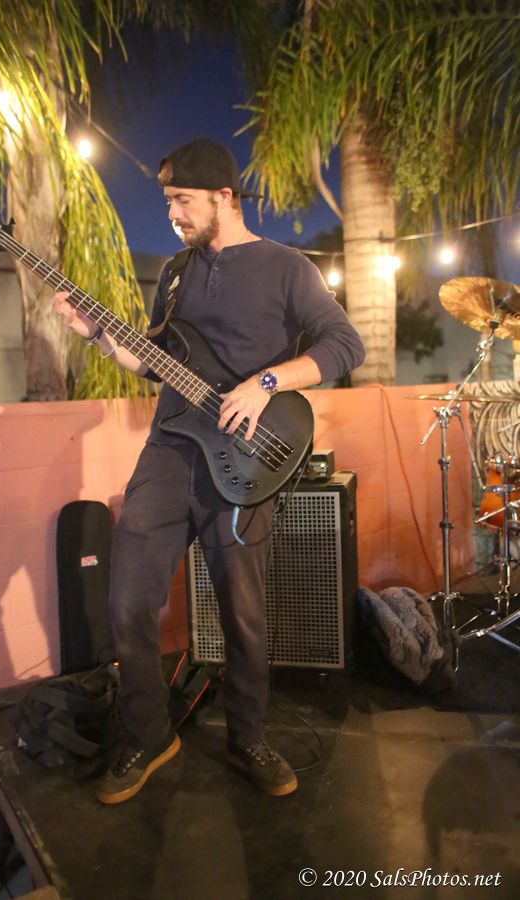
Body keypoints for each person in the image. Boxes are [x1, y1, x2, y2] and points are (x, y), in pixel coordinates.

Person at [53, 137, 365, 804]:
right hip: (169, 451)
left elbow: (345, 344)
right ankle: (148, 735)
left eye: (183, 201)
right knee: (127, 599)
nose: (172, 214)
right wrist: (96, 333)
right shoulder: (175, 272)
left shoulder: (286, 267)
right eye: (167, 202)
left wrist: (266, 383)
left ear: (225, 197)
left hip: (246, 460)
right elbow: (153, 359)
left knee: (243, 612)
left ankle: (248, 737)